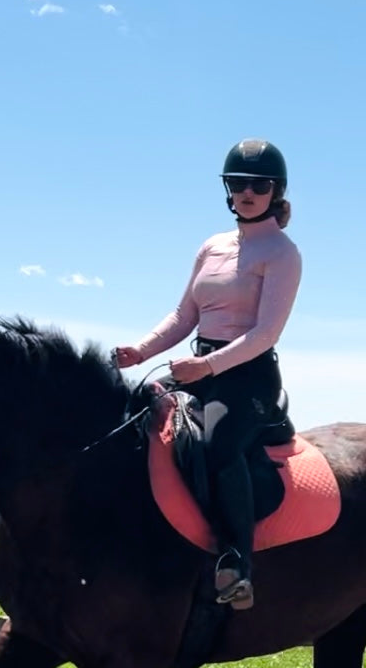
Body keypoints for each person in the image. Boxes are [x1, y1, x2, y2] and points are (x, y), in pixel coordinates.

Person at [113, 139, 303, 610]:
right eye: (237, 183)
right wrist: (141, 350)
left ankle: (238, 562)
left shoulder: (282, 253)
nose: (247, 192)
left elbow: (265, 334)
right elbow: (184, 315)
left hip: (249, 378)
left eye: (258, 185)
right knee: (136, 422)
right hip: (202, 370)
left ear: (275, 190)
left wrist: (207, 365)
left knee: (219, 444)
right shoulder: (212, 246)